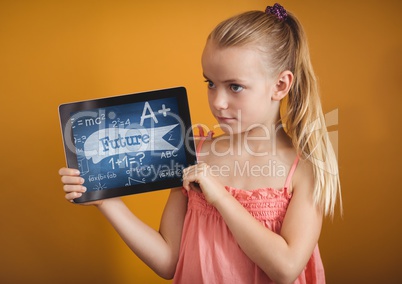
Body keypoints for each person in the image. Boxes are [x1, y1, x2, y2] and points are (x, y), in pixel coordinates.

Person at [59, 3, 341, 283]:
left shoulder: (306, 169)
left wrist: (220, 198)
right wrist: (107, 202)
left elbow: (286, 268)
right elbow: (169, 261)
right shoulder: (195, 151)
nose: (217, 102)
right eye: (210, 83)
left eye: (235, 86)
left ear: (280, 85)